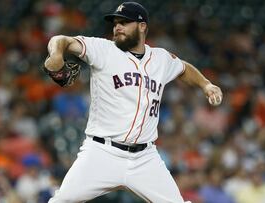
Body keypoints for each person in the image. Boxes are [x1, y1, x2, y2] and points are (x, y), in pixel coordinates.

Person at [44, 2, 222, 202]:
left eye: (124, 22)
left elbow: (184, 69)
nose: (117, 27)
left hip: (145, 158)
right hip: (102, 152)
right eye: (115, 23)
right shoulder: (103, 49)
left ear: (142, 26)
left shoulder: (160, 58)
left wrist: (206, 84)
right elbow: (61, 40)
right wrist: (56, 54)